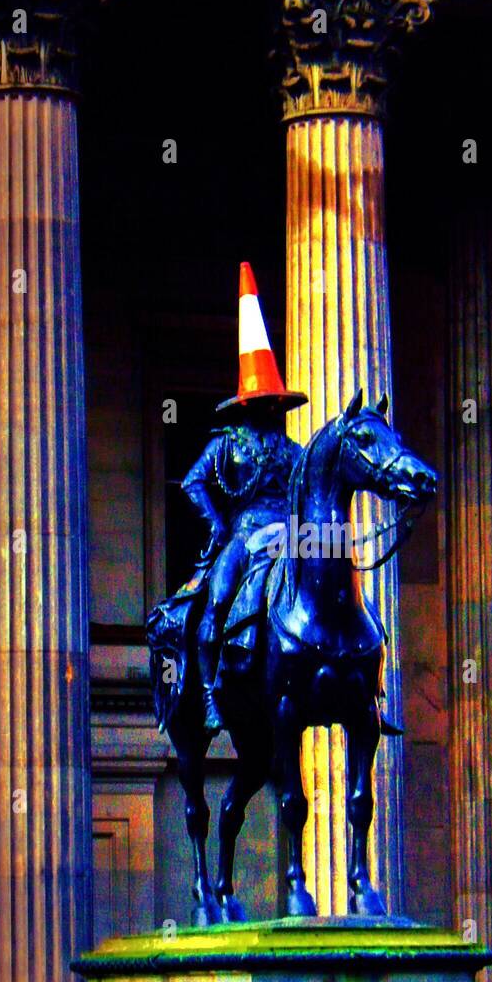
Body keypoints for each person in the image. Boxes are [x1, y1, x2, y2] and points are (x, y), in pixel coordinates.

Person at [165, 262, 307, 733]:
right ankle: (209, 694)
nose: (270, 408)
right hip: (244, 537)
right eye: (263, 400)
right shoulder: (226, 444)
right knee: (220, 598)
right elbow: (192, 482)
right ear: (248, 404)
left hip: (292, 538)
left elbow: (307, 493)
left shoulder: (293, 450)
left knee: (335, 582)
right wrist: (217, 523)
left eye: (275, 401)